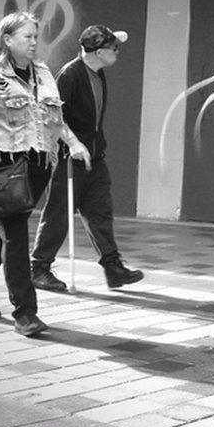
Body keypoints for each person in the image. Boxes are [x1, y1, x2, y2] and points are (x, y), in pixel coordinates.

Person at [0, 11, 91, 336]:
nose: (33, 42)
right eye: (27, 36)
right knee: (15, 238)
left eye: (35, 35)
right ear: (8, 39)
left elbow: (54, 119)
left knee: (0, 233)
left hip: (38, 167)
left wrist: (74, 143)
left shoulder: (42, 74)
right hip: (2, 169)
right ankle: (25, 313)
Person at [30, 24, 144, 291]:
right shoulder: (70, 75)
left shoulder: (98, 72)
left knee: (100, 212)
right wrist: (74, 144)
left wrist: (92, 146)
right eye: (114, 47)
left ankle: (113, 267)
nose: (118, 51)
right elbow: (54, 119)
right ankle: (39, 268)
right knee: (58, 214)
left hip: (95, 156)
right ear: (99, 51)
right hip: (70, 157)